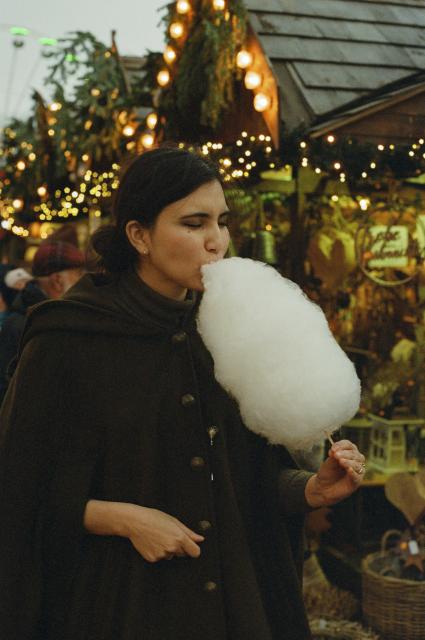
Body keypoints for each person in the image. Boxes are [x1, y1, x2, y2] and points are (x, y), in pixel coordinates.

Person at [0, 147, 365, 640]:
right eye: (194, 224)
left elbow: (248, 473)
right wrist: (121, 518)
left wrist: (307, 488)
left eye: (222, 221)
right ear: (139, 236)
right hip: (121, 606)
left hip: (232, 602)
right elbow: (20, 489)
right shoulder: (68, 338)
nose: (217, 242)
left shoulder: (226, 332)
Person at [0, 241, 84, 404]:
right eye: (78, 274)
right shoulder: (24, 324)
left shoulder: (48, 316)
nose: (82, 282)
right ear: (58, 280)